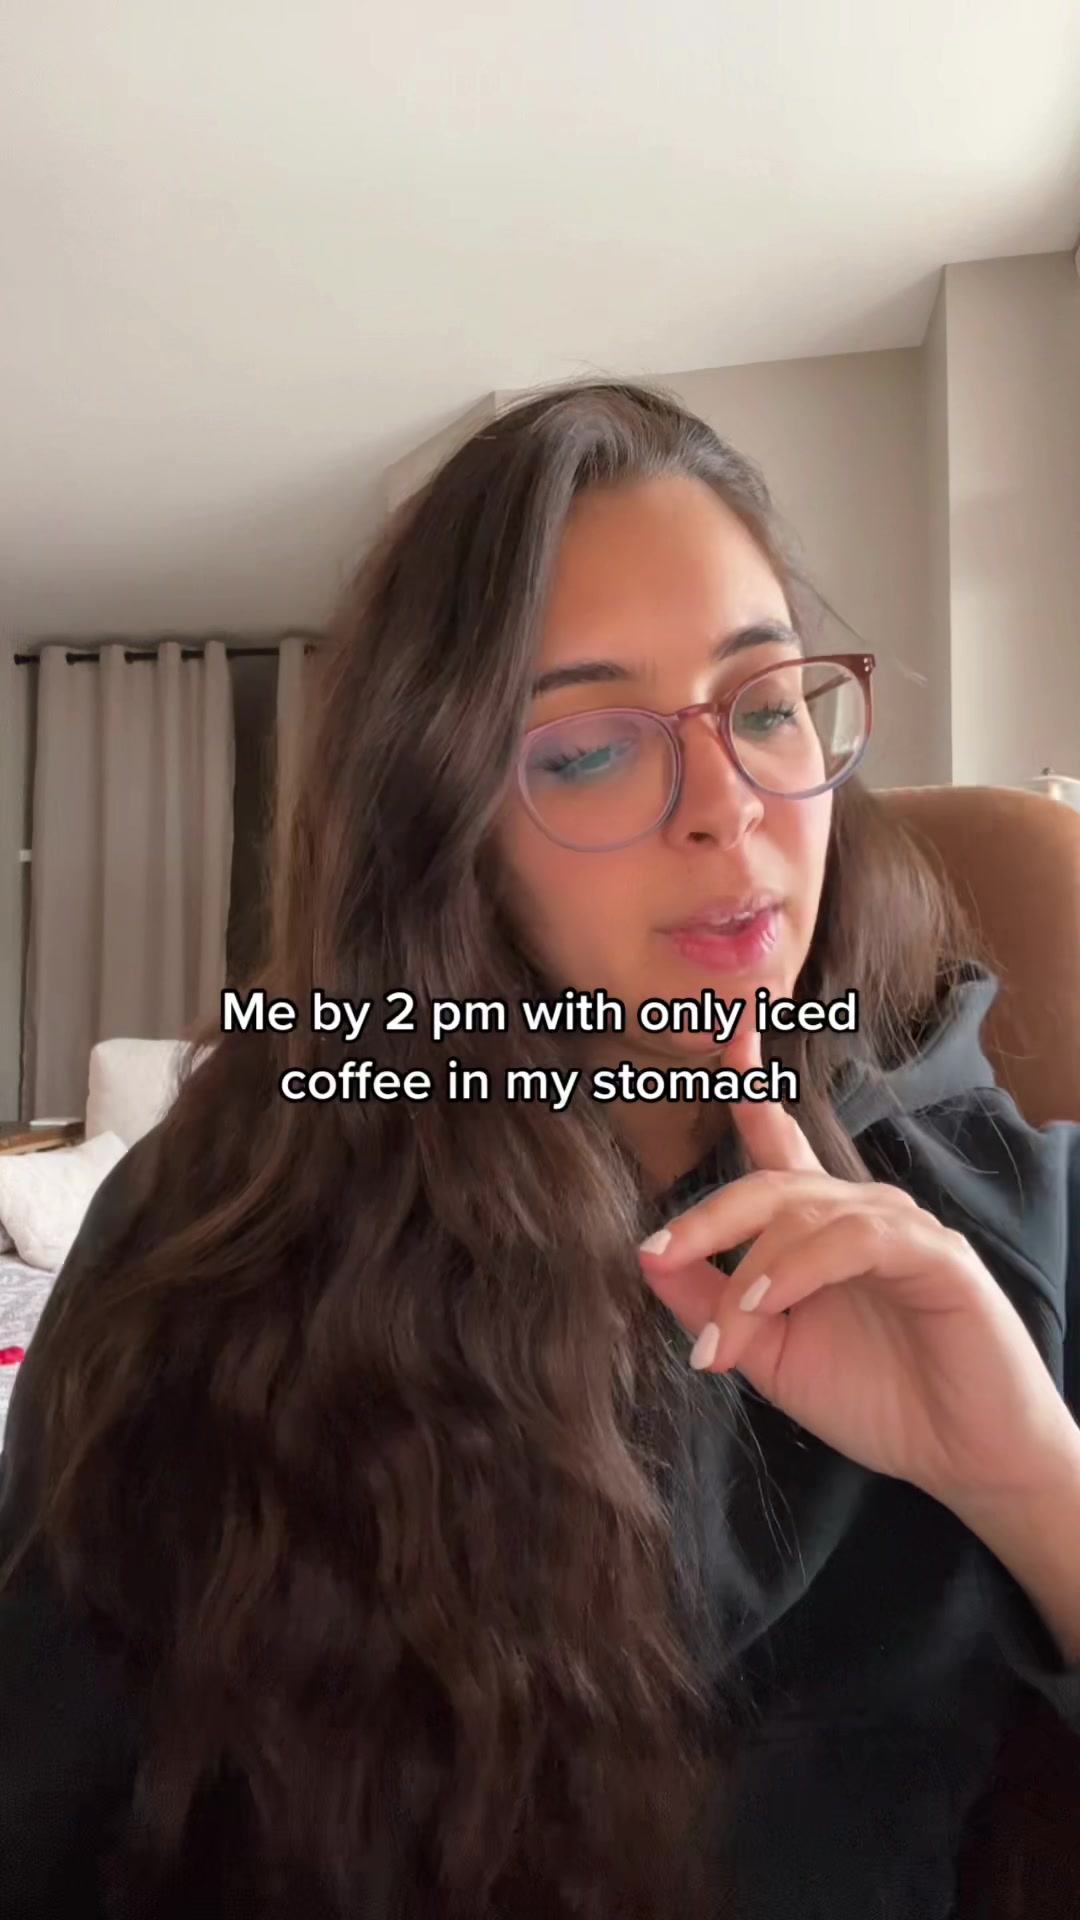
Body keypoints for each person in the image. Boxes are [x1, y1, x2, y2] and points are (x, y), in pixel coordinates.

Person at [1, 380, 1078, 1920]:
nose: (728, 808)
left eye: (765, 704)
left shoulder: (1006, 1211)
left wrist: (1029, 1478)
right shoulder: (218, 1231)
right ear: (445, 834)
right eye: (586, 749)